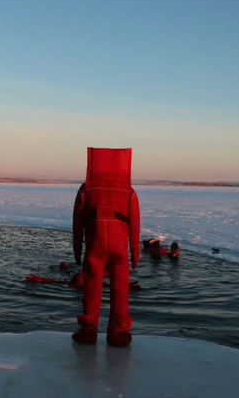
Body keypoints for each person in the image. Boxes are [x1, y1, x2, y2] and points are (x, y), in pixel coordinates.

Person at [72, 147, 140, 347]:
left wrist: (77, 249)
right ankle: (119, 332)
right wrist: (135, 254)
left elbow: (77, 222)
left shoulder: (86, 189)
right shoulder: (129, 192)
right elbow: (135, 226)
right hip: (119, 250)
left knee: (92, 285)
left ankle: (88, 330)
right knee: (120, 288)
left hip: (95, 246)